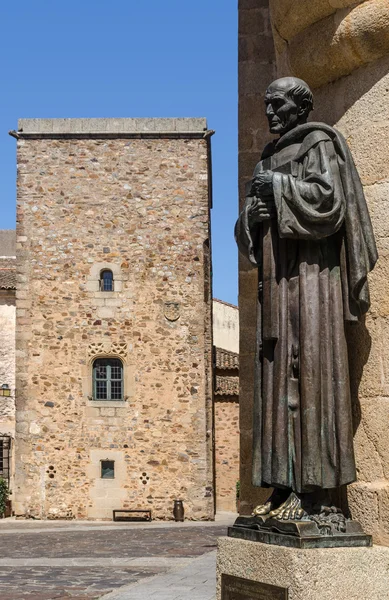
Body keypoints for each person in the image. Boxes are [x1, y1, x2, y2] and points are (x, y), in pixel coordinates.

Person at [235, 77, 377, 520]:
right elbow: (249, 230)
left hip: (313, 281)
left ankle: (314, 491)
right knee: (276, 382)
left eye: (277, 104)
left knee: (310, 374)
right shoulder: (268, 156)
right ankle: (282, 485)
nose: (270, 113)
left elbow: (329, 202)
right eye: (266, 105)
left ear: (300, 106)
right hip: (277, 285)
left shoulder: (318, 142)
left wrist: (276, 191)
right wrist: (252, 219)